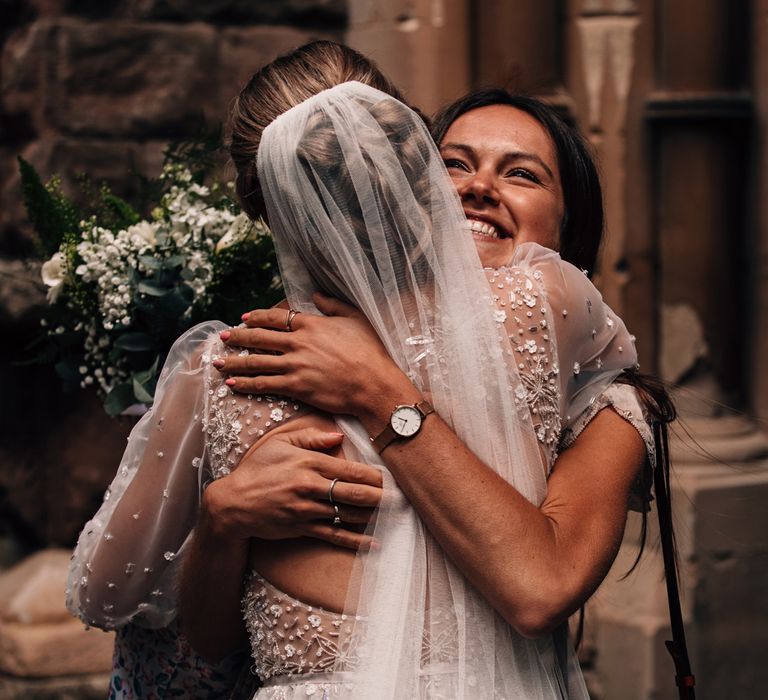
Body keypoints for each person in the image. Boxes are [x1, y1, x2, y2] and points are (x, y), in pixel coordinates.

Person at [66, 41, 665, 697]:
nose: (476, 189)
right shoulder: (546, 304)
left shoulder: (224, 371)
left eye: (521, 174)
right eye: (454, 164)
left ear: (260, 206)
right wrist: (221, 521)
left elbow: (105, 594)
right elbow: (212, 641)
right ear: (415, 167)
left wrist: (377, 387)